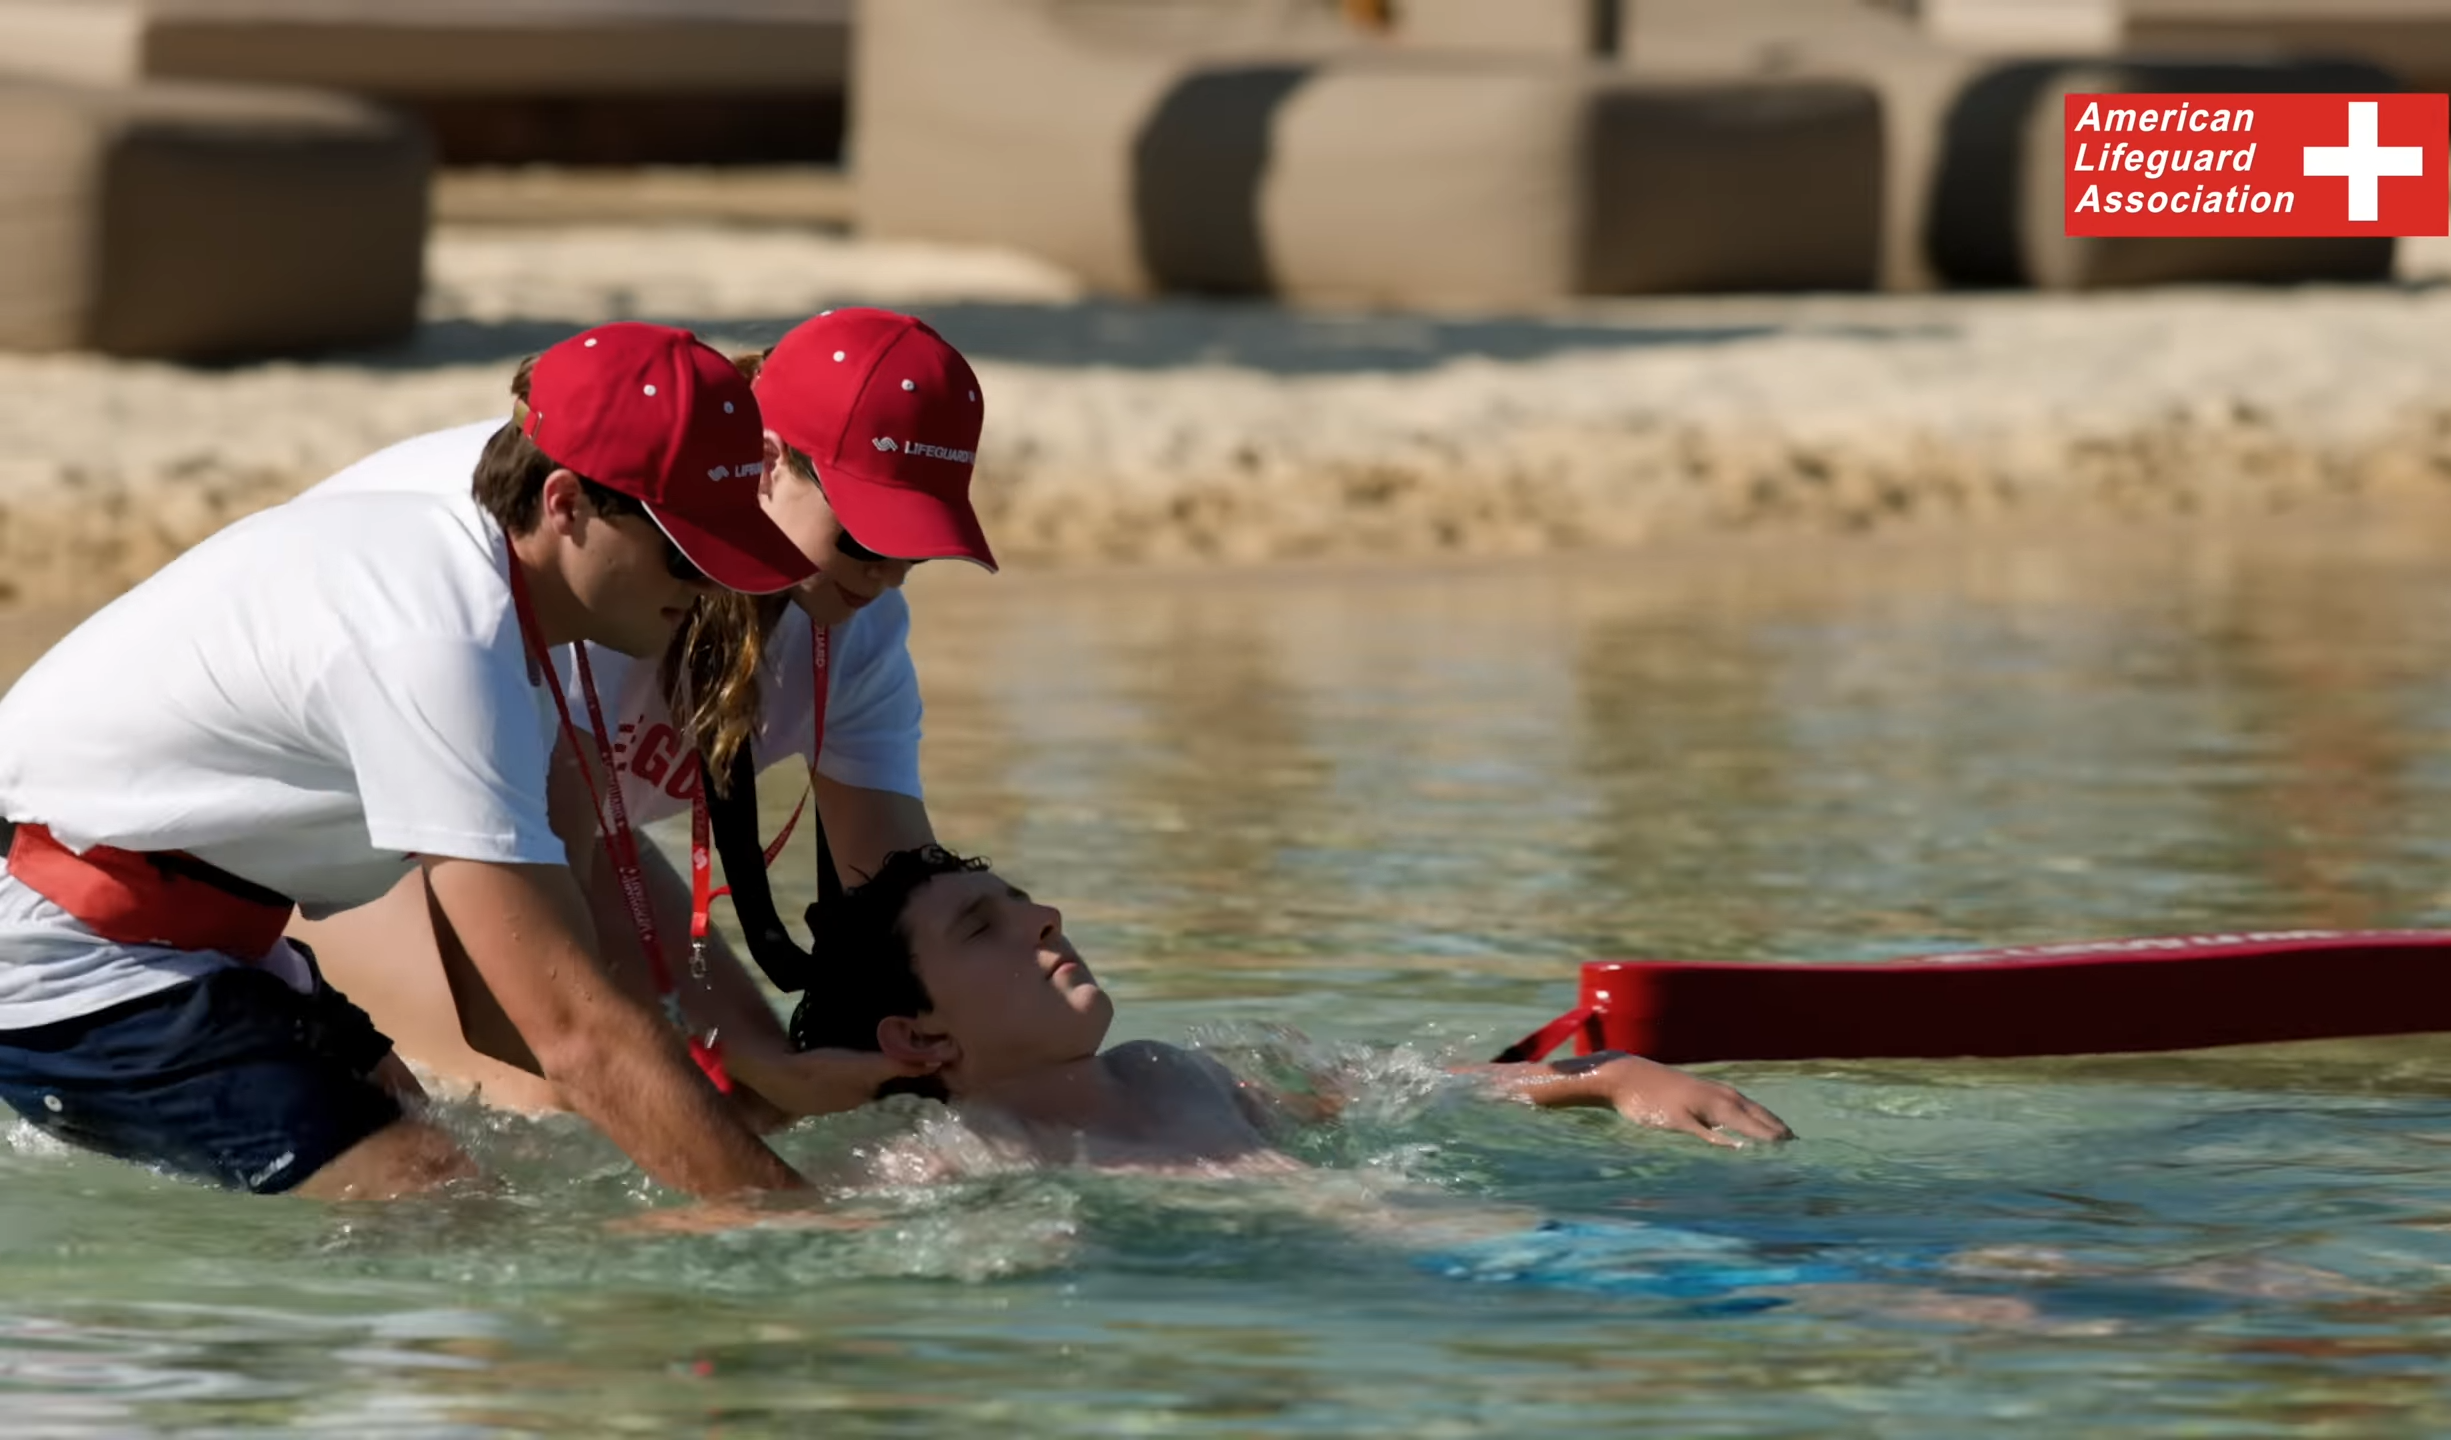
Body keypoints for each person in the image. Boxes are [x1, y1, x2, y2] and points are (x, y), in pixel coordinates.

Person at [0, 323, 825, 1200]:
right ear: (567, 505)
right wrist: (788, 1222)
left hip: (195, 935)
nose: (710, 588)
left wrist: (743, 1110)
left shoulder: (506, 604)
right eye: (685, 551)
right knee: (439, 1200)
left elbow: (505, 1015)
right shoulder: (444, 637)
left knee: (471, 1183)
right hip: (63, 943)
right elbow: (573, 1035)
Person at [290, 308, 991, 1120]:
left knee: (775, 1095)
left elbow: (900, 919)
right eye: (869, 539)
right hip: (347, 831)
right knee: (566, 1098)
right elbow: (546, 1001)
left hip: (546, 834)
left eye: (917, 546)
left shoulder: (857, 629)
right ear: (766, 464)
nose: (889, 581)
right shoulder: (597, 558)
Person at [787, 845, 1796, 1174]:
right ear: (922, 1038)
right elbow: (789, 1233)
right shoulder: (964, 1154)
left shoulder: (1173, 1069)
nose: (1045, 918)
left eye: (1027, 904)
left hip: (1487, 1254)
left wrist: (1610, 1076)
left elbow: (1404, 1093)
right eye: (983, 929)